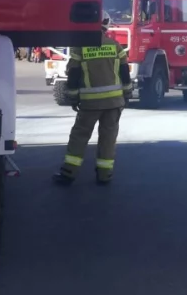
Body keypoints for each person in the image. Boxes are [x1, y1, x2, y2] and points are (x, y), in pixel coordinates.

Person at [54, 12, 132, 185]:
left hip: (90, 103)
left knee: (80, 136)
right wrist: (126, 94)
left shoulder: (80, 48)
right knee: (108, 138)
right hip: (114, 103)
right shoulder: (115, 45)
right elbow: (124, 73)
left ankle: (69, 173)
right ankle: (105, 175)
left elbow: (73, 75)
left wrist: (73, 98)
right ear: (106, 25)